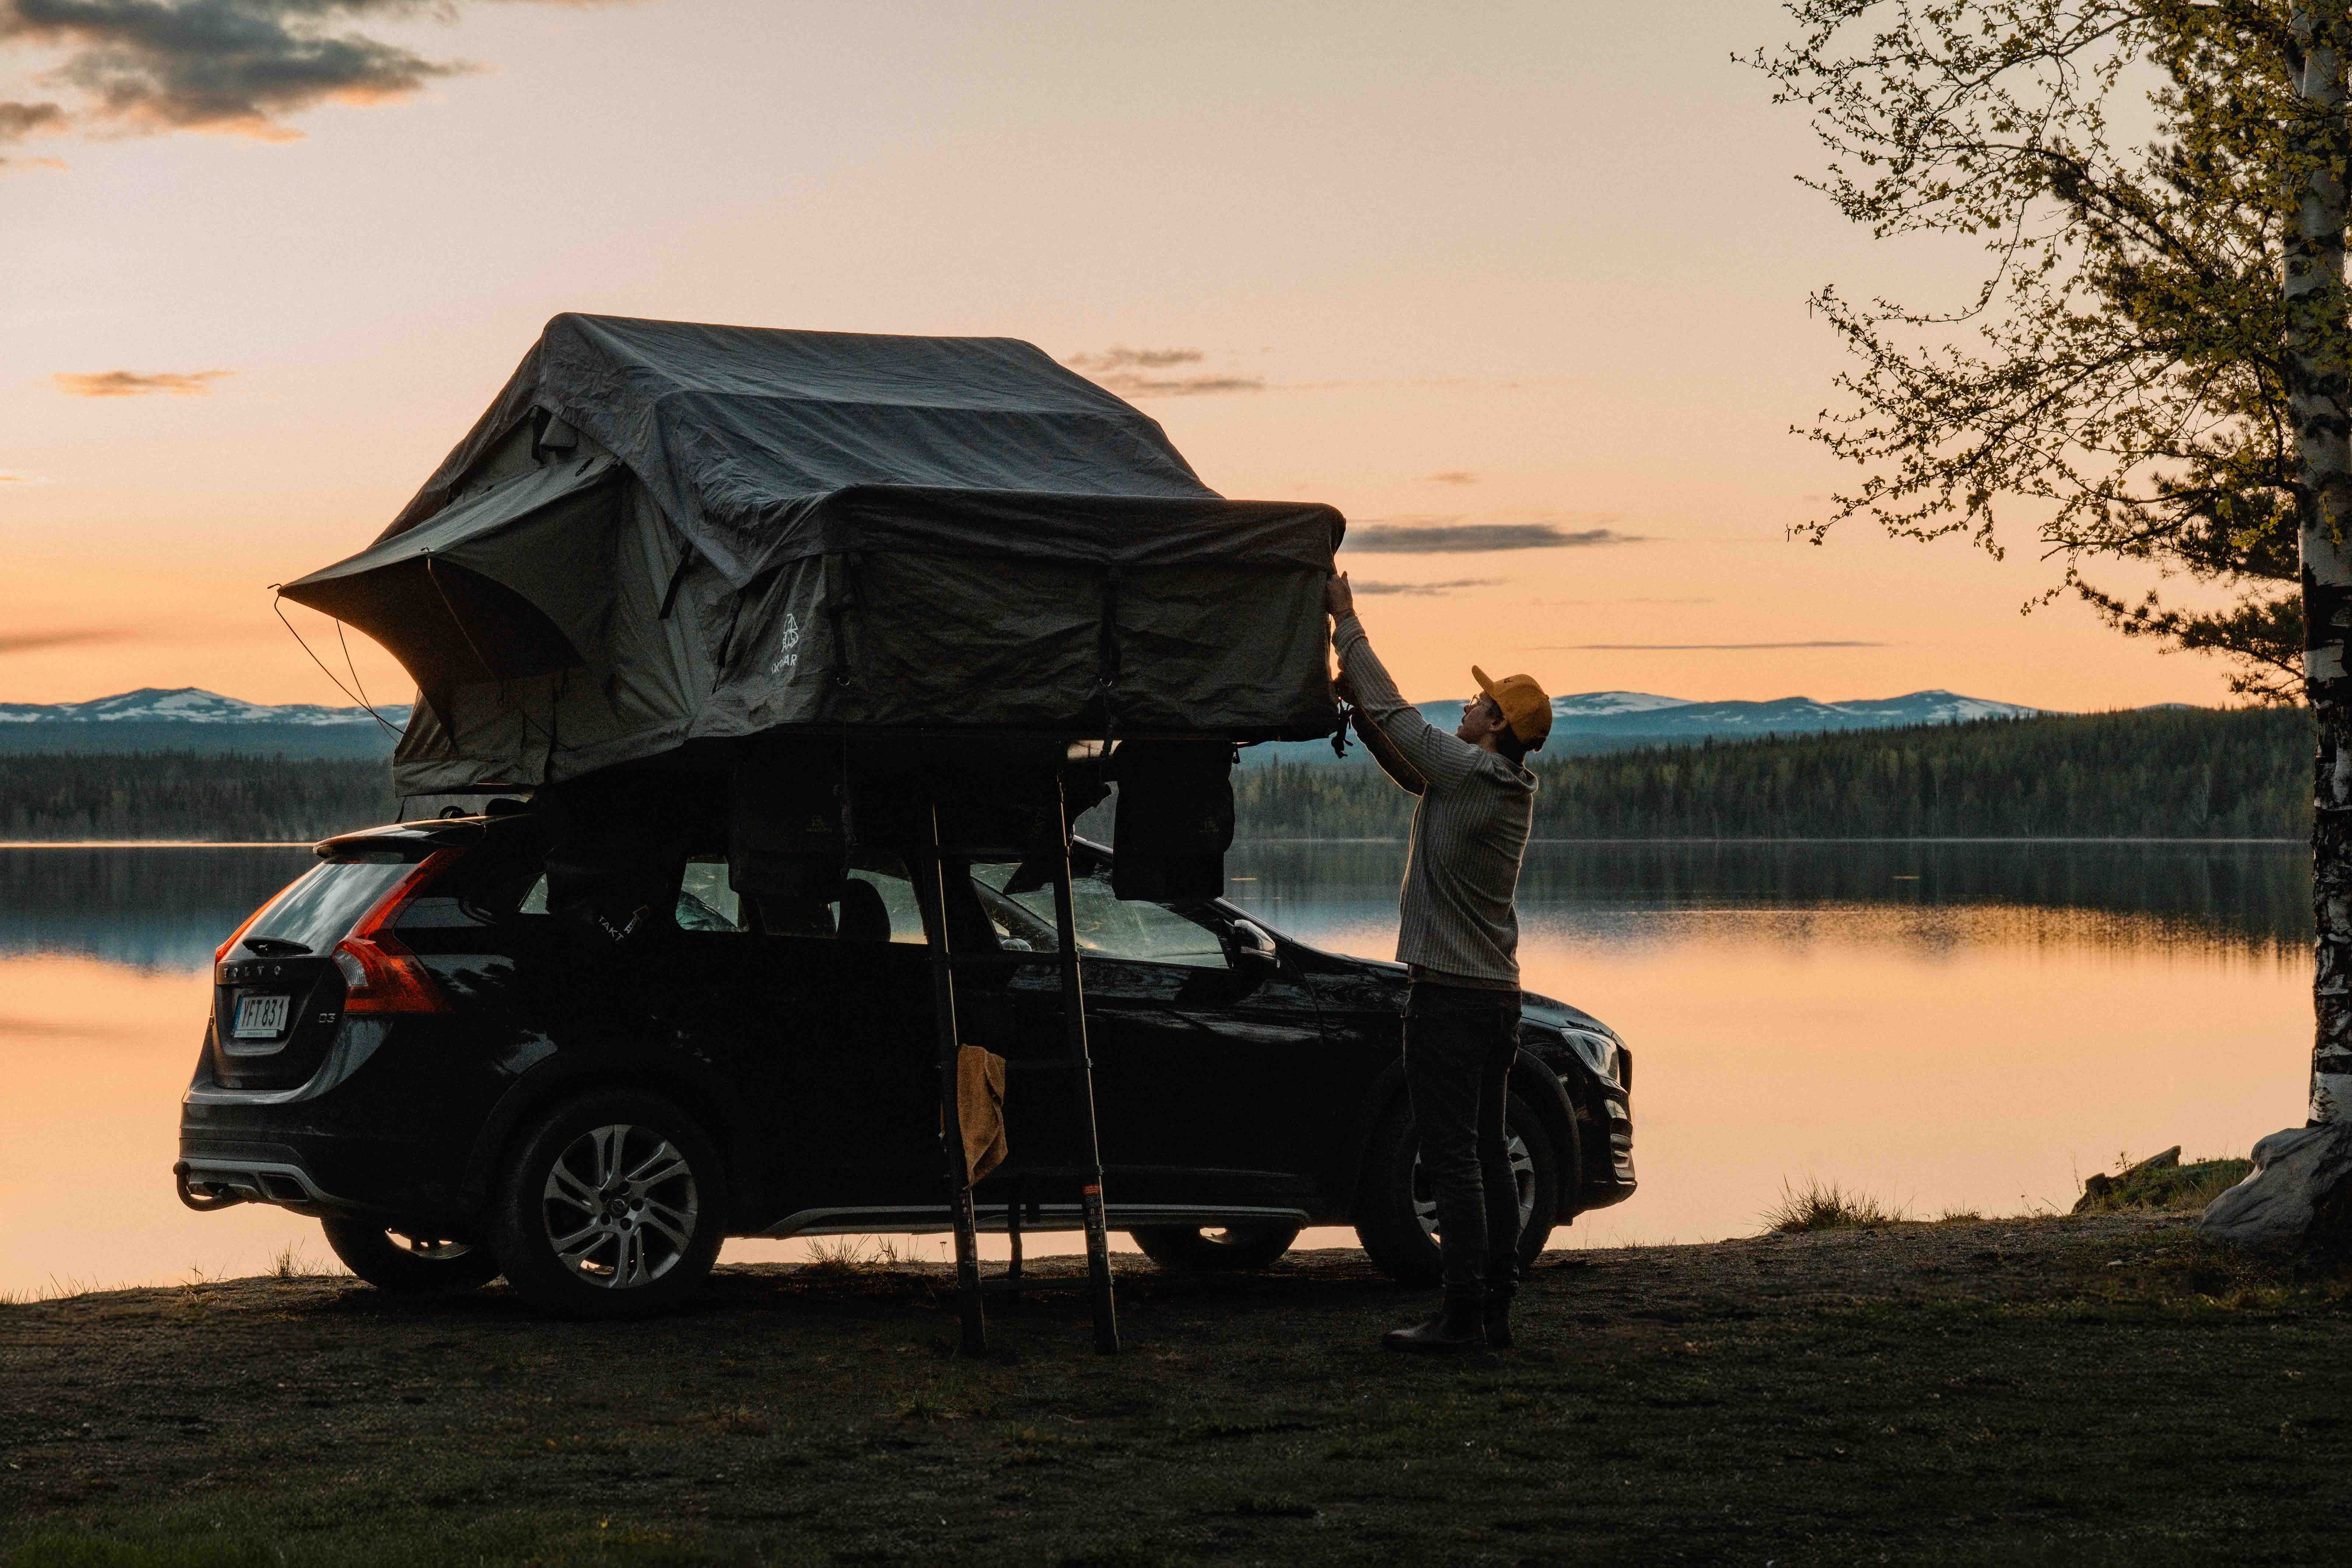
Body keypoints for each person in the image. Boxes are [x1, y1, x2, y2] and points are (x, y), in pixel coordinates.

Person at [1325, 571, 1552, 1353]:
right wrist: (1356, 705)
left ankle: (1462, 1312)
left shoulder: (1475, 771)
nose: (1466, 705)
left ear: (1495, 726)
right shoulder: (1493, 783)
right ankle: (1494, 1307)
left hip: (1451, 1003)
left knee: (1452, 1153)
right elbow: (1404, 758)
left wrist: (1346, 625)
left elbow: (1401, 719)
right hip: (1495, 1001)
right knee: (1484, 1148)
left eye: (1478, 702)